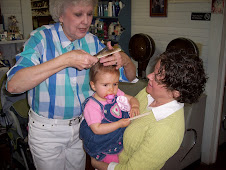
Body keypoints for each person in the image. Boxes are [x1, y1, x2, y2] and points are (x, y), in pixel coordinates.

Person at [5, 0, 136, 169]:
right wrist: (65, 60)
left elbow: (130, 76)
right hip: (47, 132)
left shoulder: (93, 42)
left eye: (89, 14)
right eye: (78, 14)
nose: (86, 21)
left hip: (82, 127)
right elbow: (13, 85)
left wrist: (125, 61)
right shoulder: (41, 39)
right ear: (60, 14)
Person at [91, 49, 208, 170]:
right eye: (154, 71)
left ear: (176, 92)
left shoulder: (167, 131)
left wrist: (97, 164)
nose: (149, 76)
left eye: (158, 76)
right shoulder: (149, 95)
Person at [79, 61, 140, 164]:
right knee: (115, 164)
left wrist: (134, 106)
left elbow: (132, 98)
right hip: (104, 146)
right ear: (93, 86)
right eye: (106, 85)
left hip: (118, 139)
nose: (111, 89)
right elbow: (97, 129)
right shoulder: (92, 106)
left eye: (115, 84)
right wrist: (119, 124)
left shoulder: (117, 94)